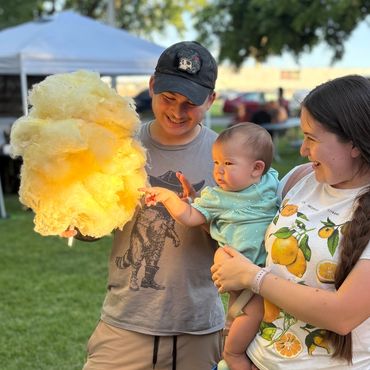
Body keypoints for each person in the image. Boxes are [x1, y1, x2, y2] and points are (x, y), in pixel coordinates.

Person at [81, 41, 225, 370]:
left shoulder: (226, 156)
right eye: (168, 99)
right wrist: (79, 219)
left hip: (198, 326)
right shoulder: (120, 147)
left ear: (211, 100)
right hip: (126, 322)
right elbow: (96, 224)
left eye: (190, 104)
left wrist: (199, 215)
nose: (177, 112)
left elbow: (240, 240)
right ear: (152, 86)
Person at [211, 75, 370, 369]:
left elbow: (342, 315)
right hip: (257, 359)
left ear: (354, 143)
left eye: (311, 138)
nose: (303, 149)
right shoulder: (300, 178)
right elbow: (245, 219)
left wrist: (252, 278)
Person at [141, 122, 279, 370]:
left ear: (257, 169)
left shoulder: (271, 183)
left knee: (262, 325)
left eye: (227, 163)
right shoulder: (218, 197)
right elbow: (191, 217)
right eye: (216, 163)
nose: (218, 171)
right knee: (248, 315)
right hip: (244, 276)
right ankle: (232, 355)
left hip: (271, 270)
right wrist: (171, 199)